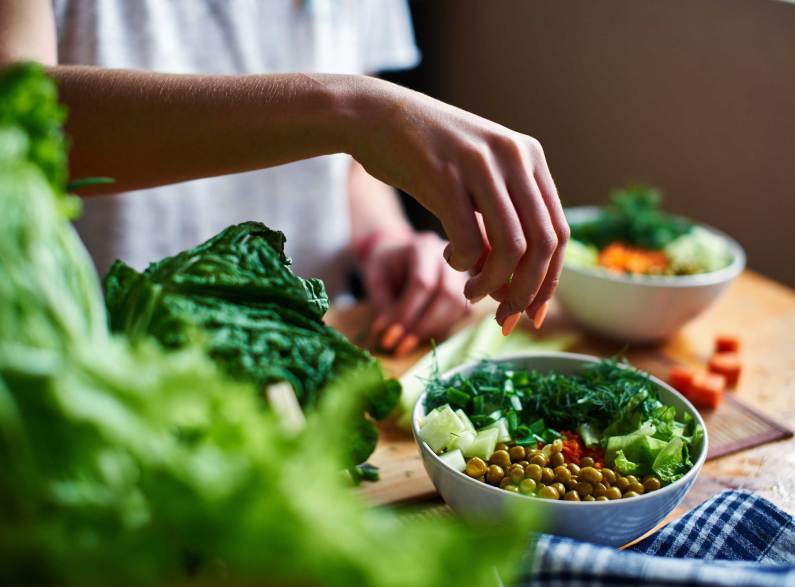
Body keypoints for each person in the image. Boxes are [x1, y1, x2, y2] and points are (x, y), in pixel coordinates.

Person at [0, 0, 569, 355]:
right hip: (99, 365)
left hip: (312, 351)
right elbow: (16, 118)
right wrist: (351, 110)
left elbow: (349, 170)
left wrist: (385, 241)